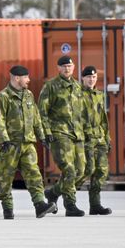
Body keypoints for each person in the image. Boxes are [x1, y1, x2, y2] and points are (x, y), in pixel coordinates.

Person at [0, 65, 57, 220]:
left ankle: (39, 205)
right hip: (11, 144)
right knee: (5, 177)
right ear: (16, 78)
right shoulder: (4, 96)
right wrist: (4, 139)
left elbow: (36, 118)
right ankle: (7, 207)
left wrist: (42, 137)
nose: (28, 80)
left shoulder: (29, 95)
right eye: (26, 77)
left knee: (34, 174)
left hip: (28, 143)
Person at [39, 55, 87, 217]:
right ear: (58, 68)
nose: (67, 69)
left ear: (74, 68)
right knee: (70, 170)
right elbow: (42, 111)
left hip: (77, 133)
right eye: (64, 66)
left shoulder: (78, 87)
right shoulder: (51, 86)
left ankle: (53, 193)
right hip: (59, 133)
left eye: (70, 66)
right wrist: (46, 132)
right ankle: (70, 205)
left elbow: (83, 112)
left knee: (81, 170)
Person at [78, 66, 112, 215]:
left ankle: (95, 205)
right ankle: (61, 192)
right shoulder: (77, 96)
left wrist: (107, 138)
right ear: (83, 78)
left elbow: (103, 119)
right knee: (87, 170)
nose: (91, 80)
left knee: (101, 172)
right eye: (88, 77)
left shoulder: (100, 95)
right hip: (85, 138)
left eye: (94, 77)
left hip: (100, 138)